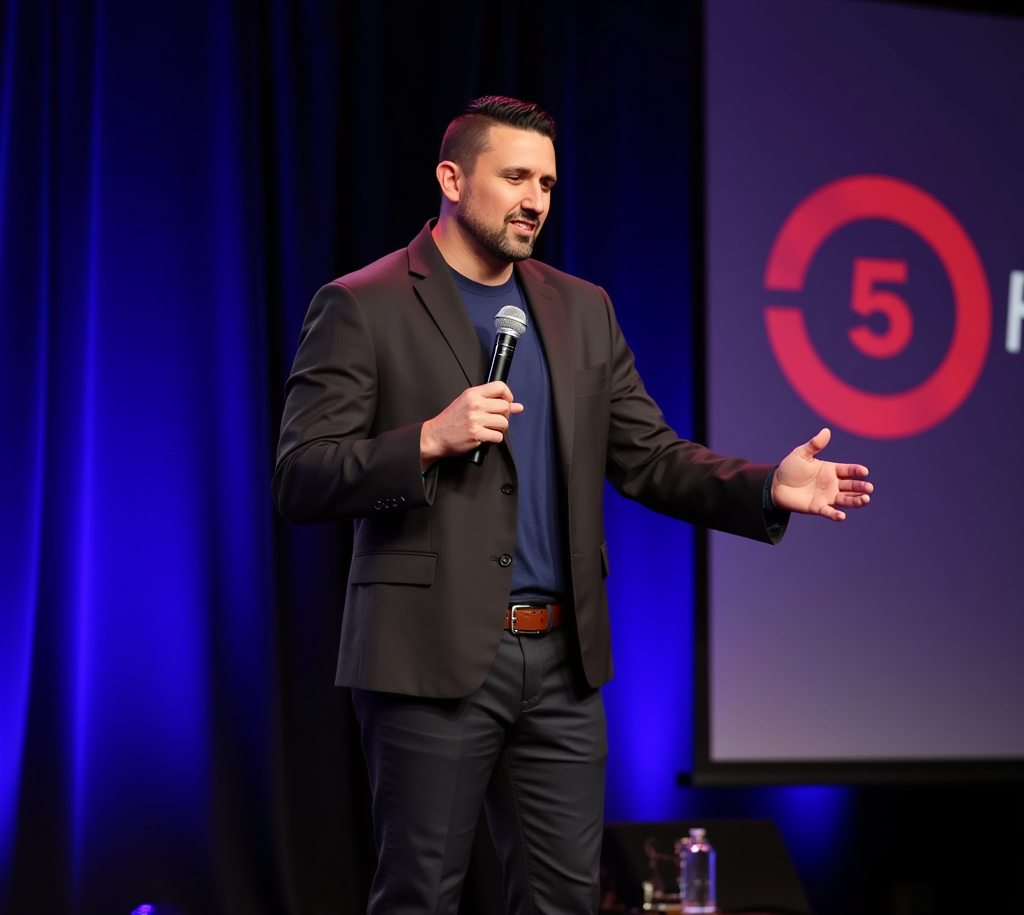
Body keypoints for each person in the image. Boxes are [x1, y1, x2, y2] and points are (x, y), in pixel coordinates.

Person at [272, 96, 873, 915]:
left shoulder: (581, 308)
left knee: (565, 902)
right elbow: (301, 475)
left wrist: (765, 485)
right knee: (420, 897)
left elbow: (649, 457)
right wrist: (426, 441)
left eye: (548, 185)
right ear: (452, 178)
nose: (535, 201)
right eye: (516, 177)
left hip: (562, 663)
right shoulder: (364, 303)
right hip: (428, 656)